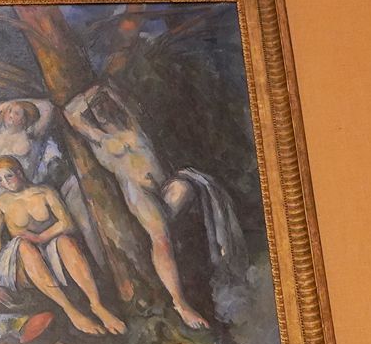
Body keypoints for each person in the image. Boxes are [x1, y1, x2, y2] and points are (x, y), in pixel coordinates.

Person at [62, 83, 243, 331]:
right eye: (96, 108)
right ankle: (180, 303)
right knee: (161, 238)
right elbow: (70, 112)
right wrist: (90, 93)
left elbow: (117, 94)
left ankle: (213, 256)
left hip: (164, 187)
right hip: (139, 193)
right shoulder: (98, 136)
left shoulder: (131, 123)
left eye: (103, 103)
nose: (102, 109)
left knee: (193, 185)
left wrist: (104, 90)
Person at [0, 156, 125, 336]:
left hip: (48, 248)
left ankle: (96, 304)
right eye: (0, 180)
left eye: (9, 176)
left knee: (65, 241)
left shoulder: (45, 192)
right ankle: (71, 311)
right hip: (21, 260)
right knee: (24, 245)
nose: (5, 183)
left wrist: (40, 237)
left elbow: (67, 223)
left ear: (19, 172)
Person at [0, 99, 58, 205]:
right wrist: (2, 106)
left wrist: (18, 103)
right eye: (9, 111)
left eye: (16, 113)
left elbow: (47, 107)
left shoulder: (32, 135)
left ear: (24, 119)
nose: (10, 115)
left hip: (18, 194)